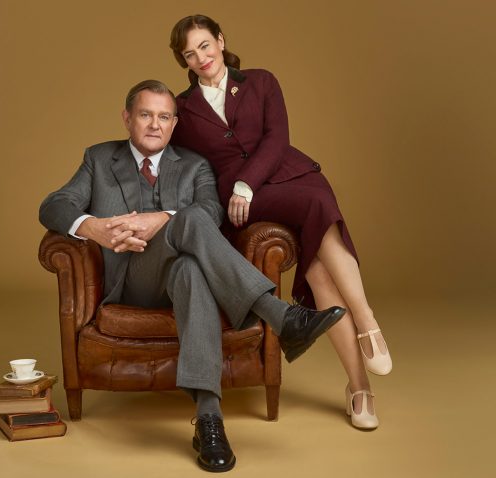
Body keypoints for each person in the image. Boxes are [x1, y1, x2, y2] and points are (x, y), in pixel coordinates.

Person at [39, 79, 346, 472]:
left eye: (164, 117)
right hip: (130, 281)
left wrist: (160, 219)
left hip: (181, 279)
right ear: (127, 118)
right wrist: (92, 227)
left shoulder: (194, 164)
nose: (155, 124)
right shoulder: (99, 159)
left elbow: (212, 213)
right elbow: (53, 205)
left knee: (191, 265)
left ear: (174, 123)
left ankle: (209, 420)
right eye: (146, 115)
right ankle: (279, 315)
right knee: (189, 220)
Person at [169, 14, 393, 431]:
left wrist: (246, 183)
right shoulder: (183, 109)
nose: (201, 58)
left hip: (286, 176)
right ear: (184, 61)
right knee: (316, 208)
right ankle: (367, 331)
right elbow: (174, 161)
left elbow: (276, 139)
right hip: (243, 205)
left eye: (205, 45)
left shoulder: (261, 81)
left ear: (220, 41)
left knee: (319, 269)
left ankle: (361, 371)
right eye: (190, 54)